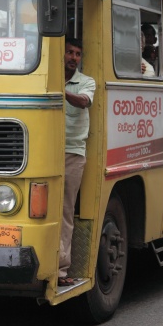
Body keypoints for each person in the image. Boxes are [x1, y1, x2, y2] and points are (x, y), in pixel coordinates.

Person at [59, 37, 96, 287]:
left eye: (78, 54)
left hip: (72, 153)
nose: (74, 57)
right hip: (43, 153)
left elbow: (84, 101)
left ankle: (61, 270)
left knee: (65, 212)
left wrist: (59, 90)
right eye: (70, 52)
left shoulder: (86, 82)